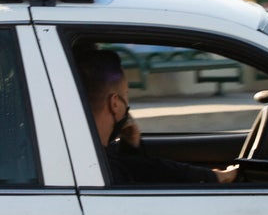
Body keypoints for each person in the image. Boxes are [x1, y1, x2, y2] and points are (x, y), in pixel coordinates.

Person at [73, 47, 236, 186]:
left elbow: (132, 168)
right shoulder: (99, 162)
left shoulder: (78, 152)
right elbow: (147, 170)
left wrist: (130, 147)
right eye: (126, 94)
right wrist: (218, 177)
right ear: (114, 103)